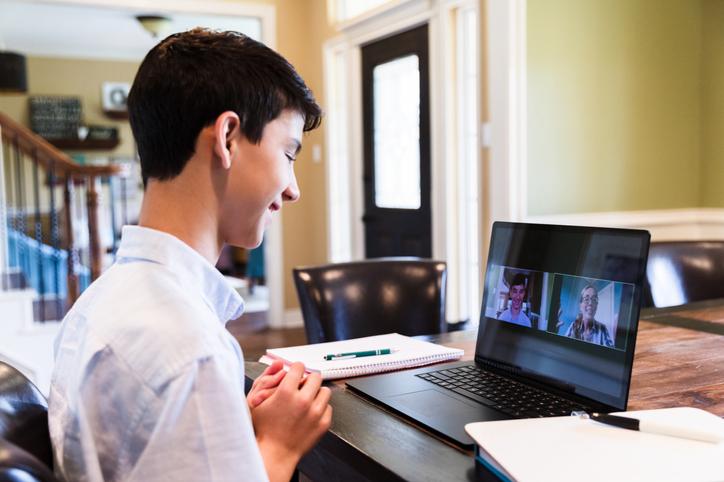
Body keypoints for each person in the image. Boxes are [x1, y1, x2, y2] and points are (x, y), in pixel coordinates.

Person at [48, 29, 331, 482]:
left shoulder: (97, 302)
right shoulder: (191, 352)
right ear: (228, 138)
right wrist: (279, 447)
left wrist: (231, 416)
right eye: (288, 153)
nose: (293, 189)